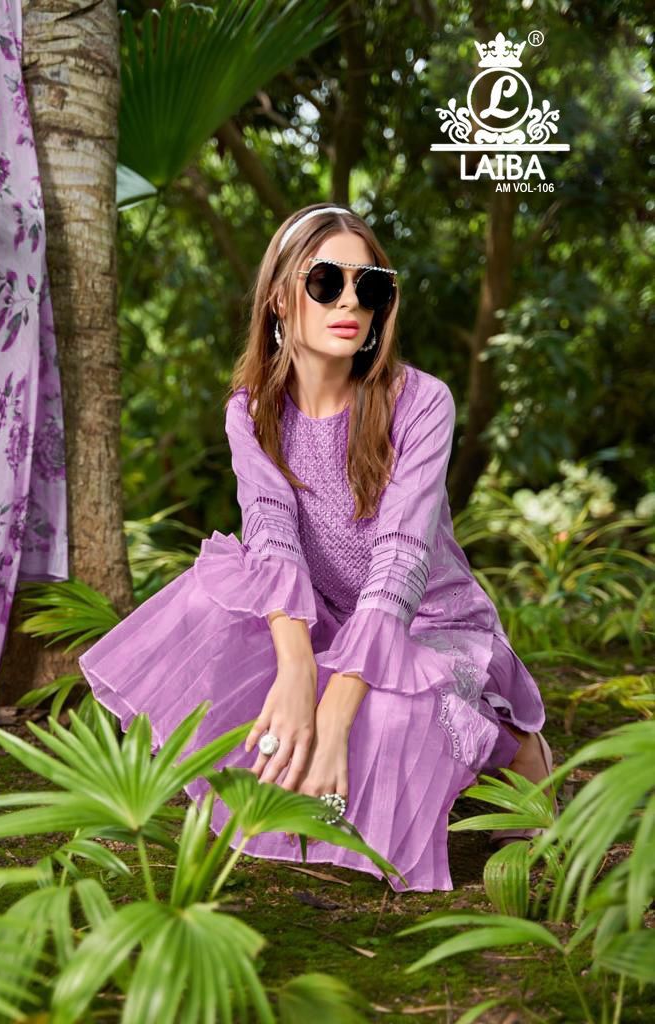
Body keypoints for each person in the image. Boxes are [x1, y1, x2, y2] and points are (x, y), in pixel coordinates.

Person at [78, 203, 555, 893]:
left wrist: (334, 712)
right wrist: (298, 670)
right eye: (327, 281)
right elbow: (271, 535)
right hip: (325, 615)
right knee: (206, 602)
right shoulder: (251, 410)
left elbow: (400, 560)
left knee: (381, 714)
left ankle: (514, 749)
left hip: (428, 624)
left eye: (371, 285)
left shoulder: (421, 402)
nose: (351, 301)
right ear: (279, 296)